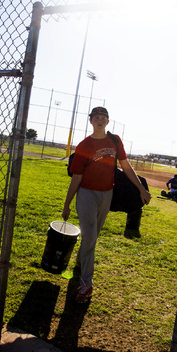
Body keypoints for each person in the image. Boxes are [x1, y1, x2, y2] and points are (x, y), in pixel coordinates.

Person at [63, 107, 151, 303]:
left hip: (107, 194)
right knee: (90, 235)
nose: (100, 120)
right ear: (91, 121)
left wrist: (141, 189)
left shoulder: (115, 140)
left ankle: (79, 263)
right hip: (86, 194)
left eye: (103, 118)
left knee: (92, 236)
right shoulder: (84, 145)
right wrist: (67, 204)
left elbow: (126, 166)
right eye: (96, 118)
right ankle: (86, 284)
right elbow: (76, 177)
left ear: (108, 122)